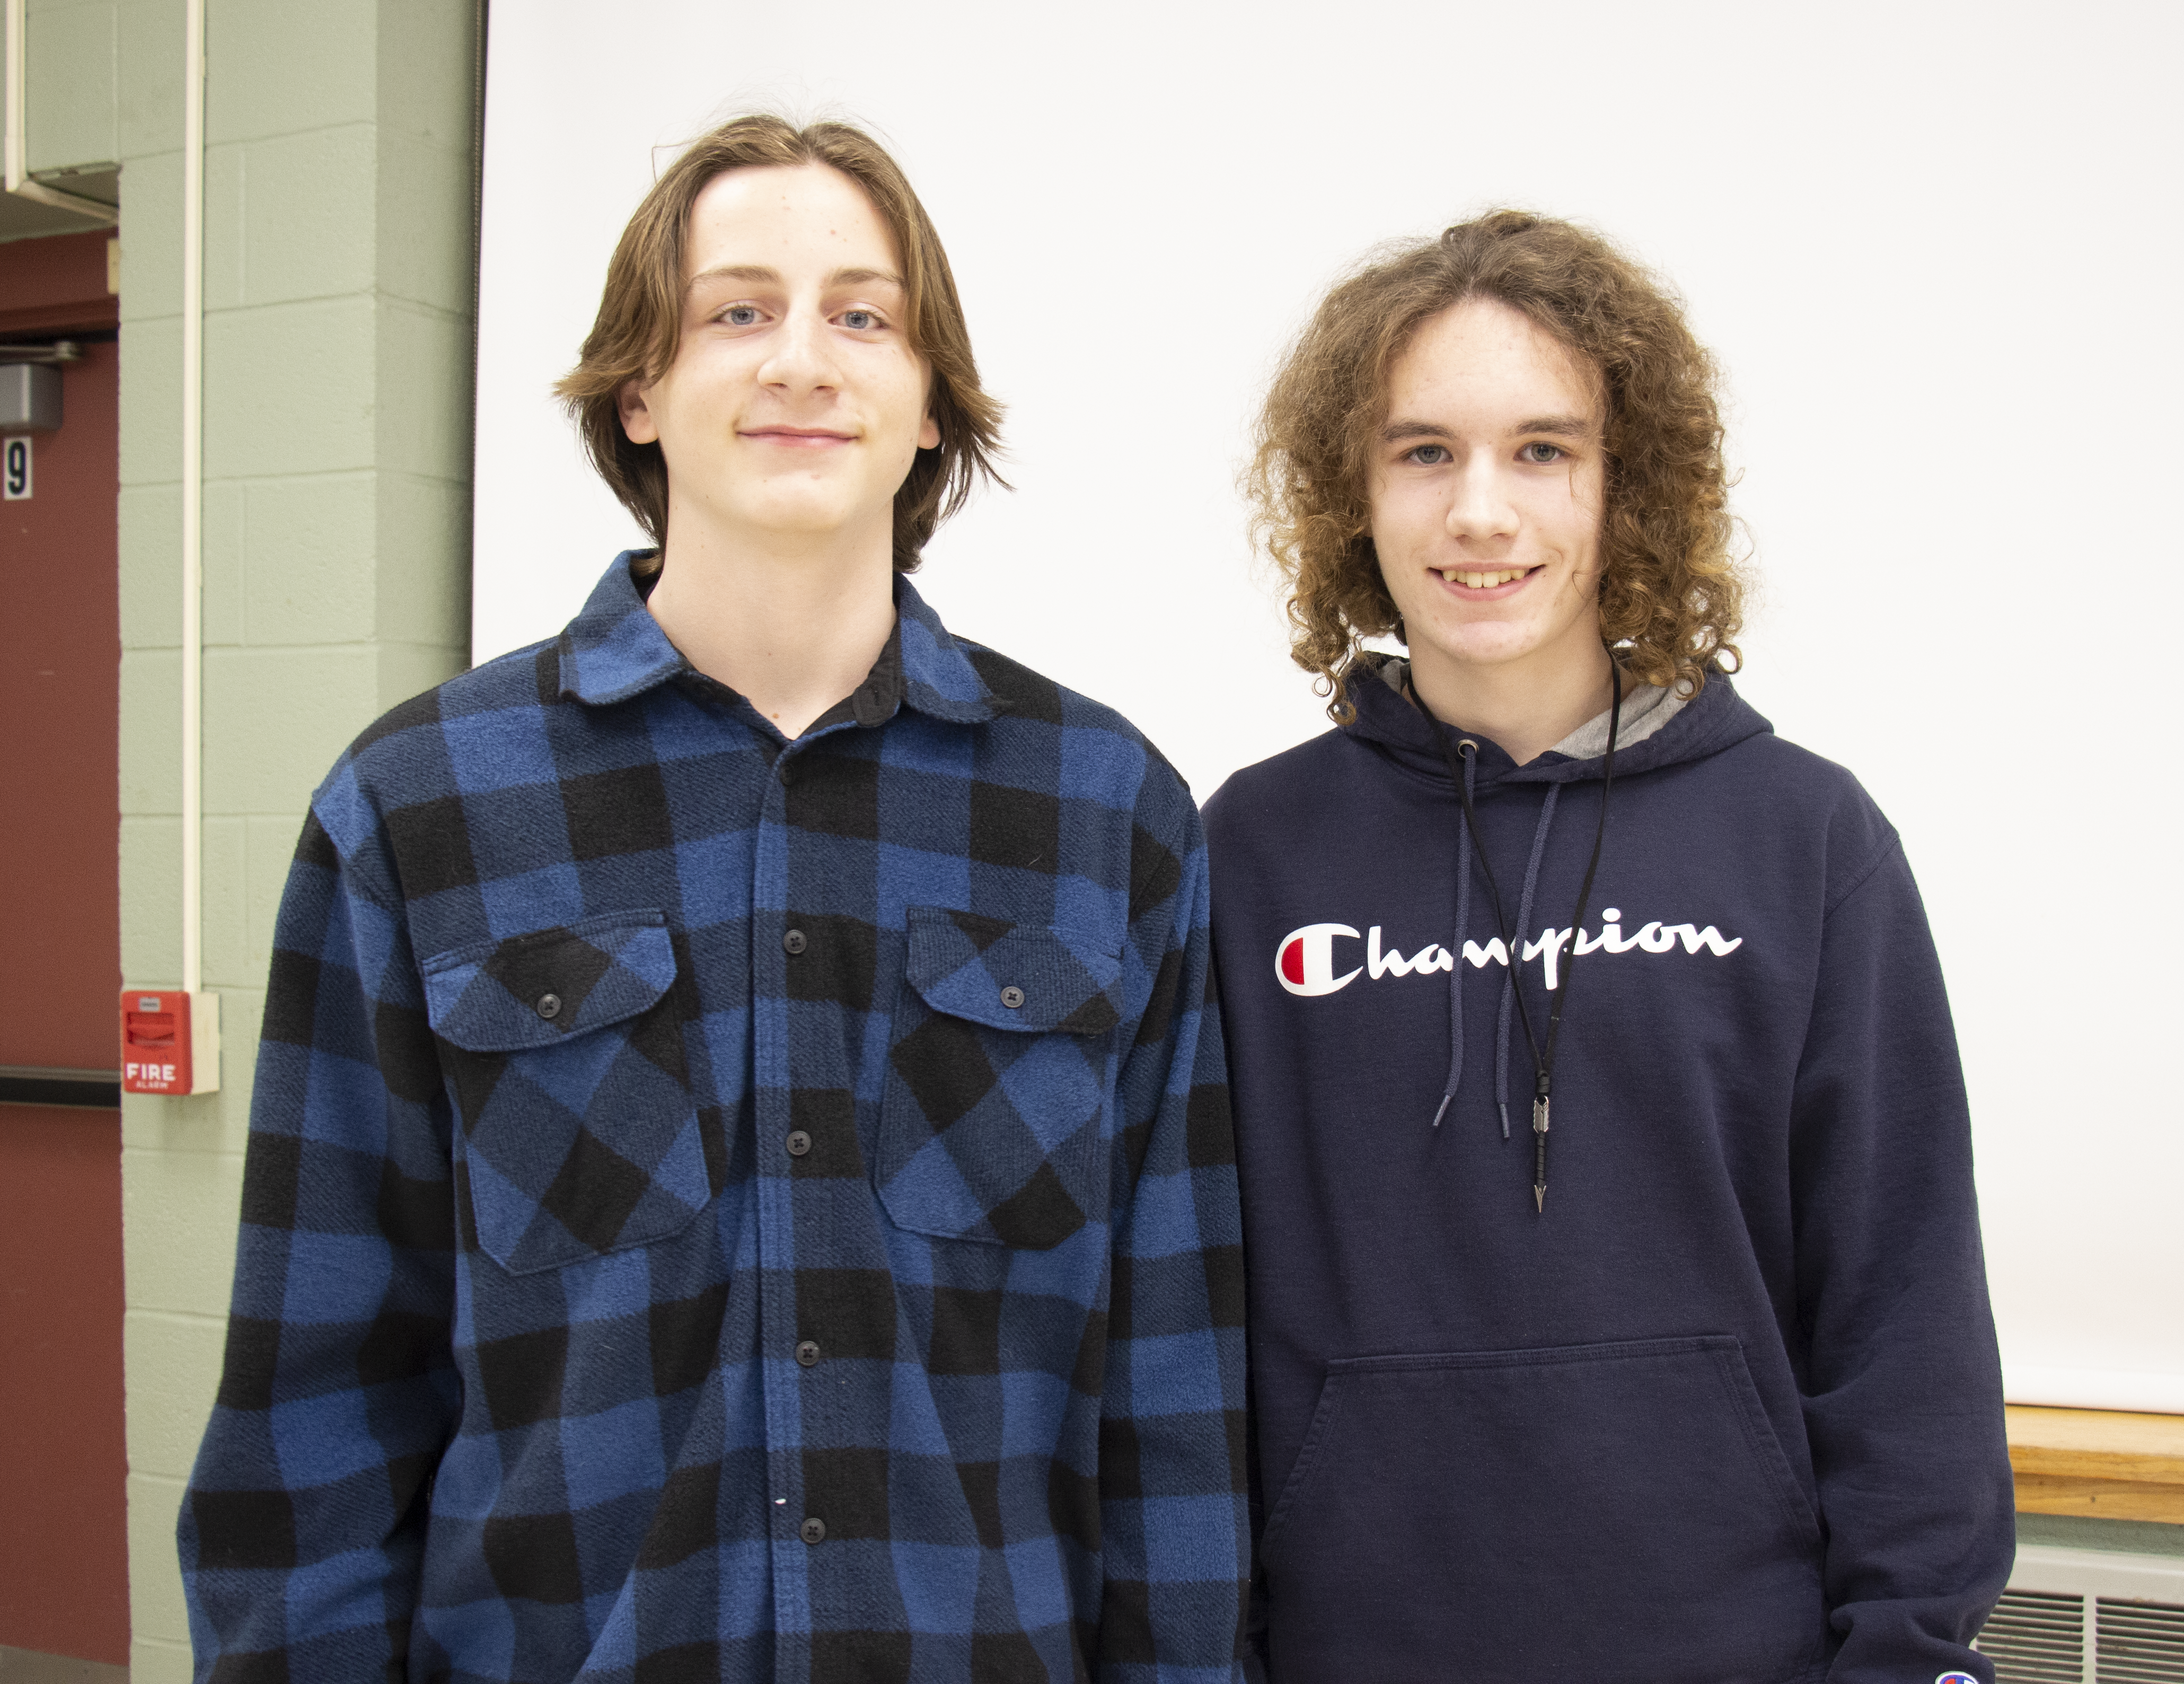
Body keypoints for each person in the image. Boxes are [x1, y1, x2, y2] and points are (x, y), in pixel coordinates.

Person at [181, 115, 1248, 1682]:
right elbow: (318, 1400)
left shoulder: (1106, 814)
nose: (803, 361)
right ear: (641, 389)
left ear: (931, 403)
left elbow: (1169, 1391)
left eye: (863, 317)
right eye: (738, 310)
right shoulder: (420, 810)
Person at [1204, 210, 2012, 1681]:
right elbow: (1190, 1326)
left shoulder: (1806, 841)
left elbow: (1903, 1306)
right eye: (1424, 451)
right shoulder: (1247, 857)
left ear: (1625, 485)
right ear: (1354, 495)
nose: (1481, 515)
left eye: (1543, 451)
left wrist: (1915, 1654)